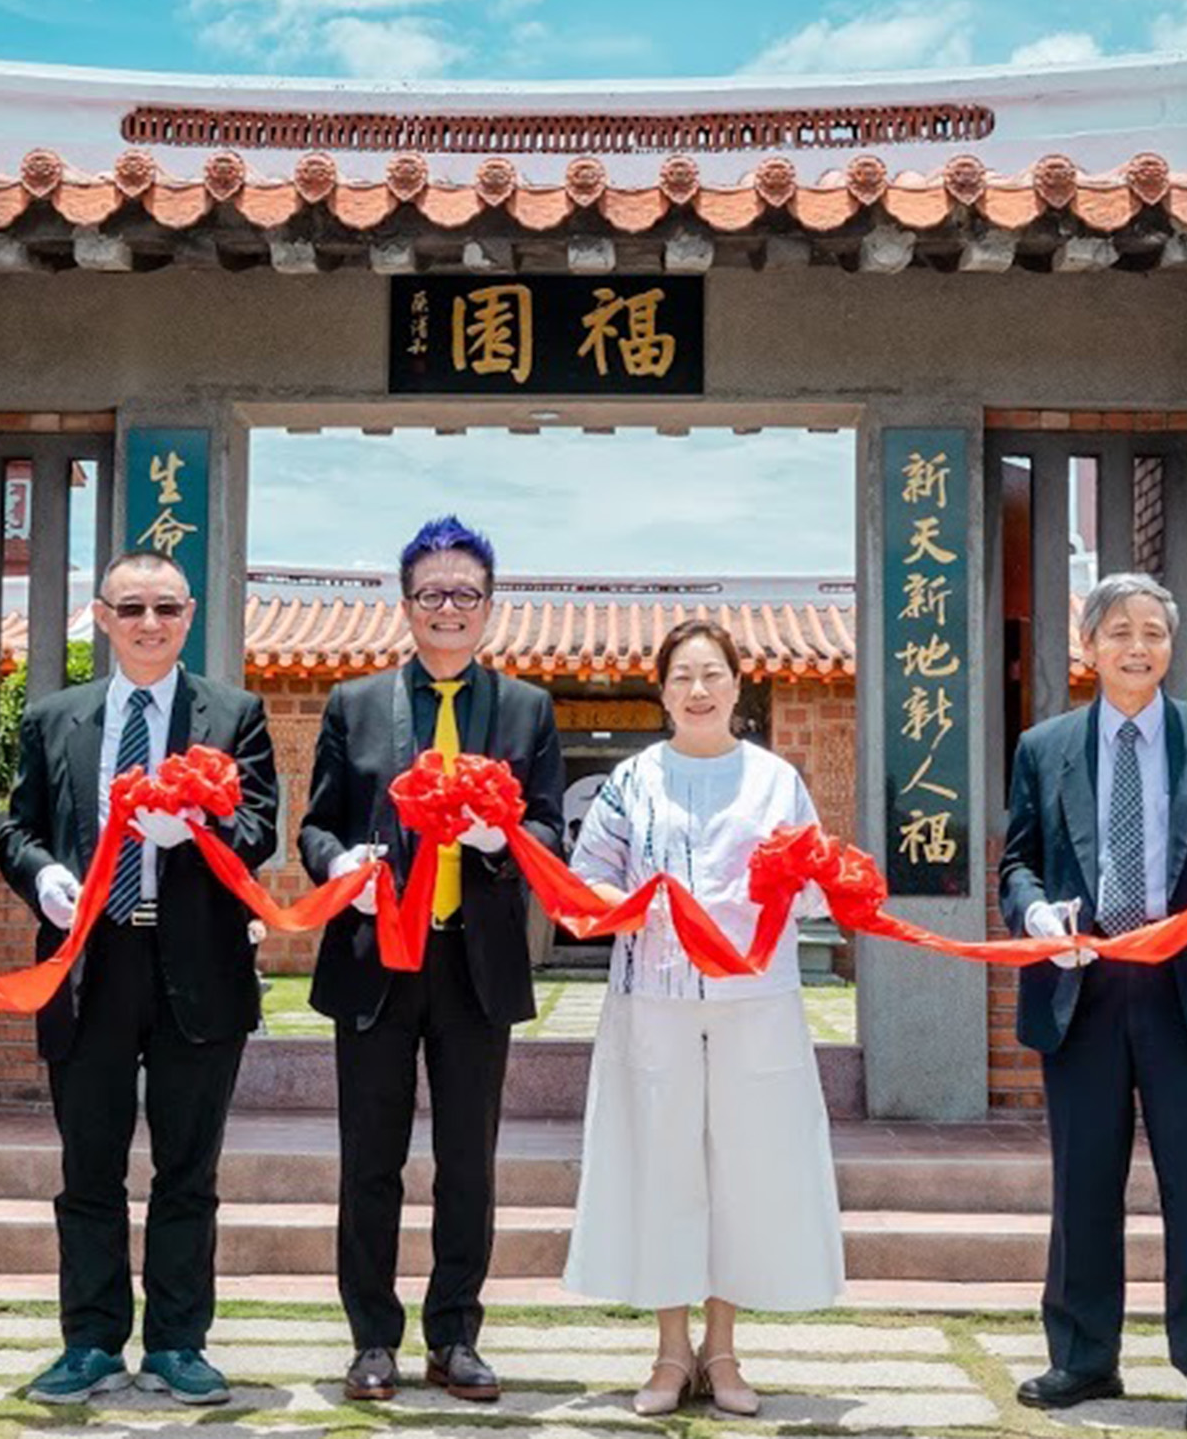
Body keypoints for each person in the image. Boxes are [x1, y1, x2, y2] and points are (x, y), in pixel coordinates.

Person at [998, 572, 1187, 1434]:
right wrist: (1036, 912)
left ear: (1172, 646)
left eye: (1153, 632)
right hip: (1080, 991)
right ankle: (1084, 1359)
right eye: (1119, 631)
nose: (1137, 647)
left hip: (1183, 992)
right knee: (1082, 1186)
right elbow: (1016, 861)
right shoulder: (1045, 747)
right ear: (1088, 647)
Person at [0, 547, 279, 1406]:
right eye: (132, 608)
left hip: (198, 965)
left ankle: (178, 1343)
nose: (149, 623)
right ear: (102, 616)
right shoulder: (54, 719)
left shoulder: (234, 714)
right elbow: (20, 829)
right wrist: (42, 874)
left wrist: (195, 833)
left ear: (189, 616)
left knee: (188, 1171)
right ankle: (88, 1342)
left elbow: (262, 826)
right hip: (94, 962)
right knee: (89, 1168)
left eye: (165, 608)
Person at [296, 515, 564, 1403]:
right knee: (369, 1157)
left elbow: (549, 829)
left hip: (472, 963)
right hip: (378, 954)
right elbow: (318, 822)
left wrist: (502, 837)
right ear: (406, 603)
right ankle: (373, 1338)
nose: (449, 608)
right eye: (432, 593)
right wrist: (338, 865)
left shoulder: (526, 708)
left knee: (467, 1161)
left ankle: (455, 1335)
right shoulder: (354, 702)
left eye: (466, 594)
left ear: (491, 606)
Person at [564, 617, 843, 1418]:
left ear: (737, 685)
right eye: (682, 676)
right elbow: (589, 890)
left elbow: (813, 885)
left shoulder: (775, 781)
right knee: (663, 1168)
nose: (697, 690)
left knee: (742, 1170)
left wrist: (817, 879)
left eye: (712, 674)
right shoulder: (632, 781)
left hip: (755, 1004)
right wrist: (634, 906)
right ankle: (667, 1352)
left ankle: (723, 1353)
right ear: (662, 690)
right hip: (654, 1003)